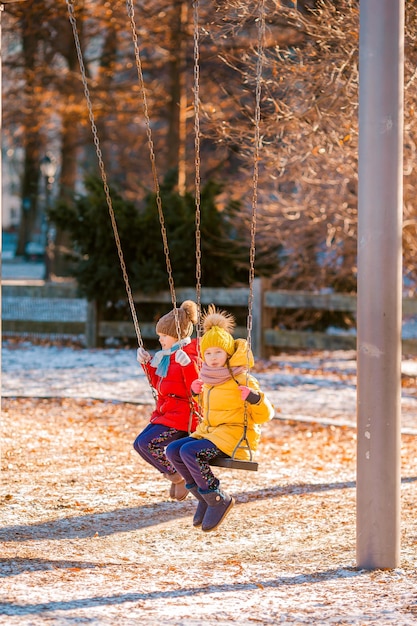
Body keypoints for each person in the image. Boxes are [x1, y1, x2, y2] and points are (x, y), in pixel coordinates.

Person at [166, 305, 274, 531]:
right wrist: (197, 393)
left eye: (218, 353)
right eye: (208, 353)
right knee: (173, 450)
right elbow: (209, 410)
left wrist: (255, 399)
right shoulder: (208, 379)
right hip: (212, 433)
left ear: (227, 354)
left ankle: (217, 498)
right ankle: (204, 498)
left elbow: (265, 415)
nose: (213, 358)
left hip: (233, 436)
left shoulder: (241, 379)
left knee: (189, 452)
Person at [133, 300, 200, 501]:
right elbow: (160, 386)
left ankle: (179, 476)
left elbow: (195, 388)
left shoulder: (189, 355)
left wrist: (188, 366)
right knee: (139, 444)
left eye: (164, 336)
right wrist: (146, 365)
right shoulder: (165, 357)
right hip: (166, 413)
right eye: (159, 335)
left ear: (177, 335)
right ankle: (177, 477)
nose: (160, 339)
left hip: (183, 417)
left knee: (147, 444)